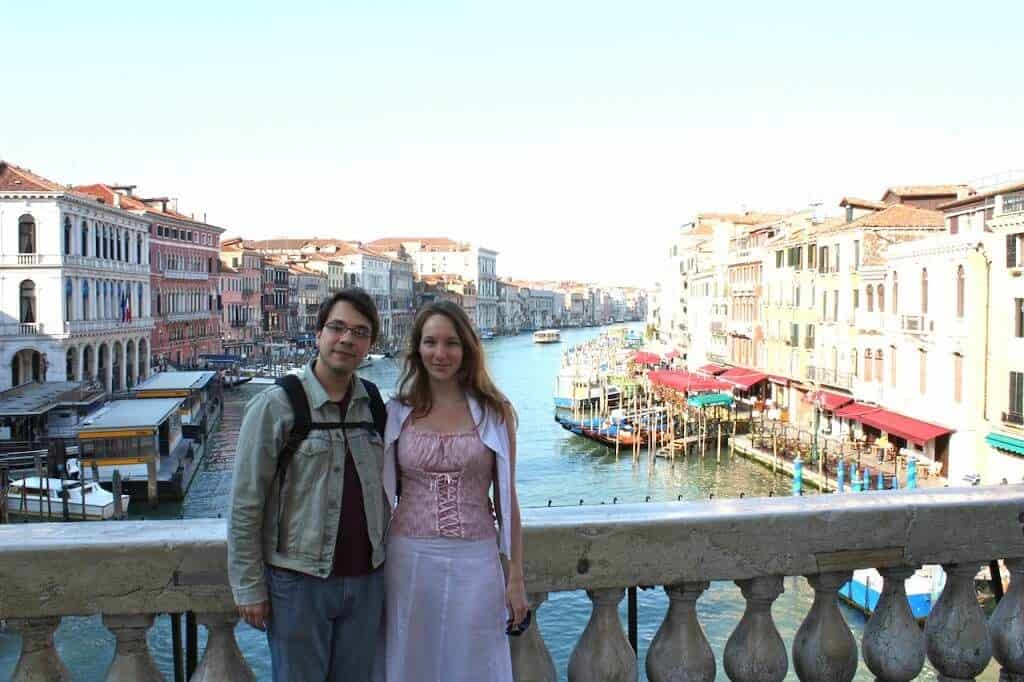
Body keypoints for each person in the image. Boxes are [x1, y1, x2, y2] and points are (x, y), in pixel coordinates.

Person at [228, 288, 389, 681]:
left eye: (360, 332)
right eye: (337, 327)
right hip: (298, 584)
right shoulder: (275, 405)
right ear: (318, 333)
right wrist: (248, 587)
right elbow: (246, 503)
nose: (347, 339)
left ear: (369, 344)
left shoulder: (373, 403)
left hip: (367, 581)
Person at [381, 301, 528, 681]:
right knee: (410, 660)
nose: (440, 353)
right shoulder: (397, 412)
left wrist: (515, 579)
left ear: (466, 349)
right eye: (430, 342)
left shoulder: (495, 413)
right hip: (408, 557)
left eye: (451, 343)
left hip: (476, 560)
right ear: (417, 349)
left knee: (476, 663)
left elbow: (507, 499)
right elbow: (380, 494)